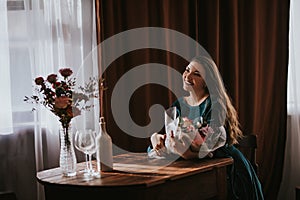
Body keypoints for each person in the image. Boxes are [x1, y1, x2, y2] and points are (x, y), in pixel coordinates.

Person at [148, 56, 264, 200]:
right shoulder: (178, 104)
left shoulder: (214, 103)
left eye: (197, 74)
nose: (188, 76)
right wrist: (156, 139)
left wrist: (189, 153)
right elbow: (171, 137)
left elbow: (212, 145)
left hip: (224, 167)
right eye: (187, 70)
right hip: (191, 167)